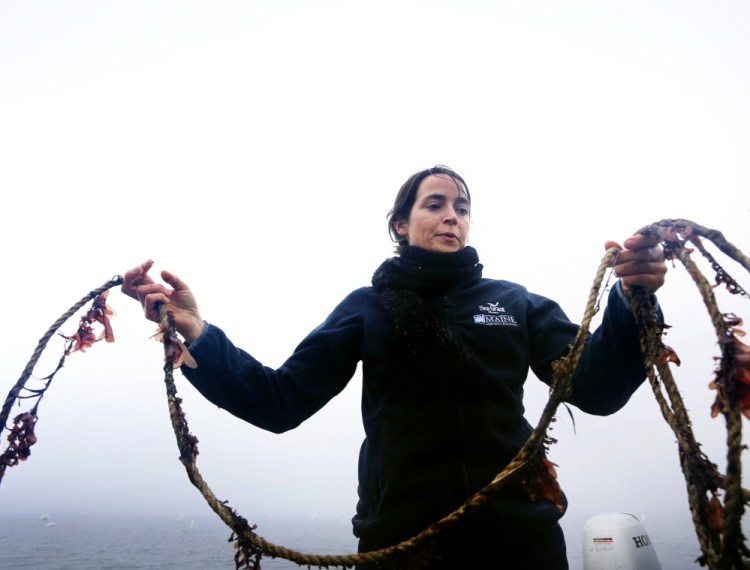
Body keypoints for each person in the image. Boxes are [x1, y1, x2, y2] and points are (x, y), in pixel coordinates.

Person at [122, 165, 668, 569]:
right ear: (401, 226)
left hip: (522, 542)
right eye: (434, 204)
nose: (452, 214)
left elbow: (597, 388)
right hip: (403, 546)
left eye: (462, 205)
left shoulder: (515, 302)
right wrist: (198, 334)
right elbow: (278, 401)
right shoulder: (368, 307)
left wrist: (632, 298)